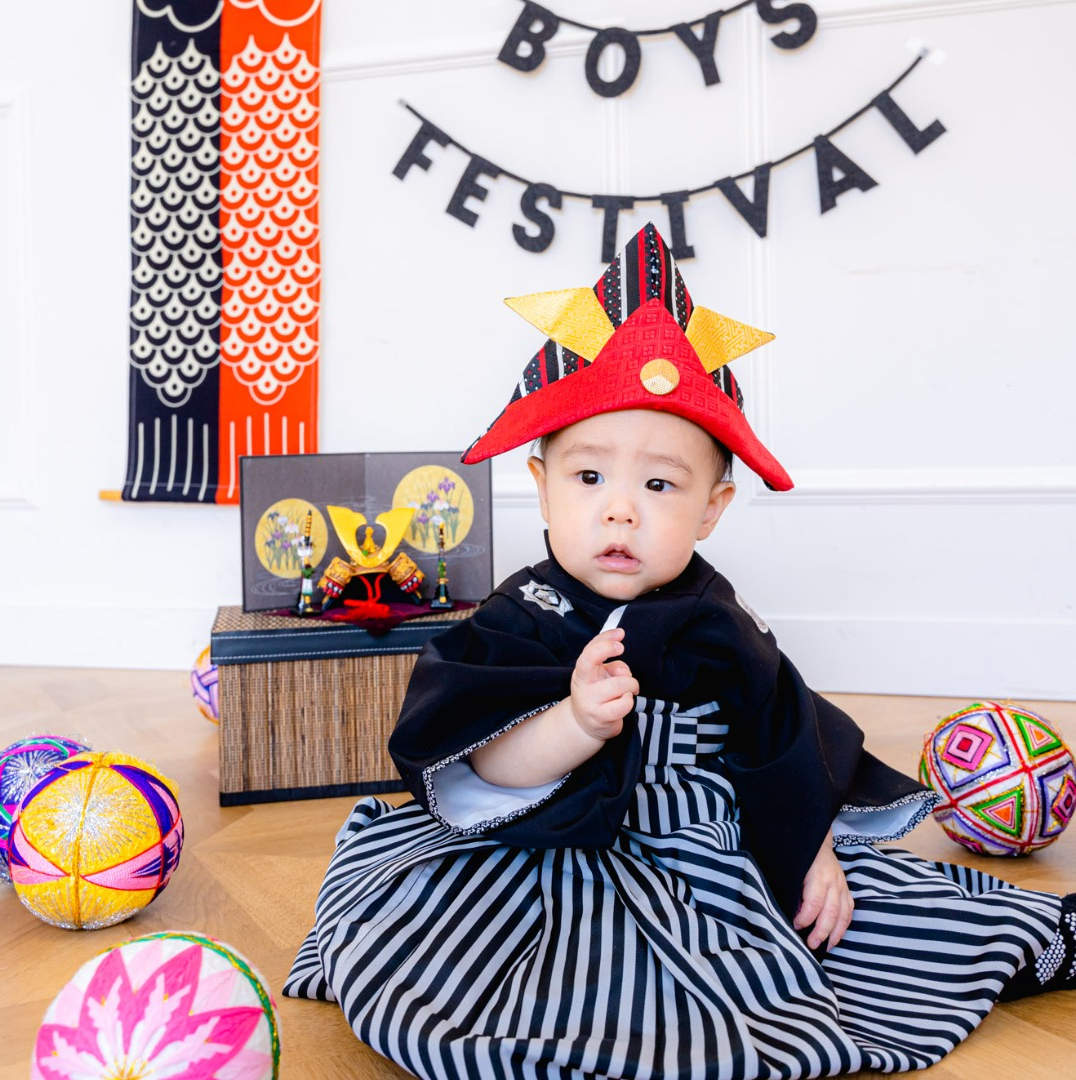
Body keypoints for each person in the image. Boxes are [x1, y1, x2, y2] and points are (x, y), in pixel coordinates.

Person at [285, 224, 1073, 1079]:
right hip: (543, 849)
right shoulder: (521, 617)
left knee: (843, 914)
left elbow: (782, 739)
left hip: (706, 841)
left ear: (711, 509)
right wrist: (575, 724)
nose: (620, 509)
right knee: (476, 951)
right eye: (589, 477)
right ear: (542, 489)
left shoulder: (715, 618)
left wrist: (809, 849)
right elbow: (483, 764)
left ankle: (1010, 940)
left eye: (659, 484)